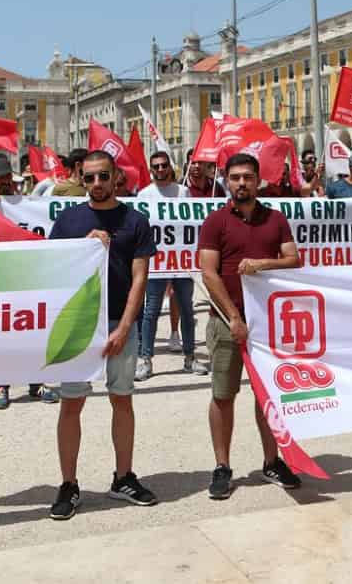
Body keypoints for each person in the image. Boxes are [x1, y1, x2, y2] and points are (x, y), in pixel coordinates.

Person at [47, 150, 159, 517]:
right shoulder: (68, 221)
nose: (97, 183)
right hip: (79, 324)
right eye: (90, 177)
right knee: (71, 403)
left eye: (104, 176)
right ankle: (68, 484)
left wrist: (125, 328)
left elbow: (139, 278)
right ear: (81, 178)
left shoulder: (135, 221)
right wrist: (85, 247)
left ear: (116, 179)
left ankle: (123, 477)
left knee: (121, 399)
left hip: (119, 325)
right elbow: (53, 271)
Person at [199, 153, 303, 500]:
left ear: (258, 181)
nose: (241, 183)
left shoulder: (275, 219)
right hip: (226, 323)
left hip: (268, 326)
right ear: (226, 181)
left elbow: (293, 260)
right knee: (223, 396)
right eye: (235, 177)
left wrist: (262, 264)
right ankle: (222, 466)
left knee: (268, 397)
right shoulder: (215, 222)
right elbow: (208, 273)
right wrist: (233, 317)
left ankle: (271, 461)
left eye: (247, 177)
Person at [0, 153, 60, 409]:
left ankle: (40, 381)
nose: (5, 183)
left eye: (7, 178)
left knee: (35, 330)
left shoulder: (24, 202)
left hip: (28, 275)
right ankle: (1, 385)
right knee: (1, 334)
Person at [135, 151, 206, 381]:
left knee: (187, 309)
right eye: (155, 166)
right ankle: (145, 360)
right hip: (156, 263)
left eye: (164, 165)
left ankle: (189, 357)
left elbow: (191, 224)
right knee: (151, 311)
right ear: (151, 169)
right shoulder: (144, 194)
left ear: (170, 167)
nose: (160, 169)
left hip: (181, 261)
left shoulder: (183, 192)